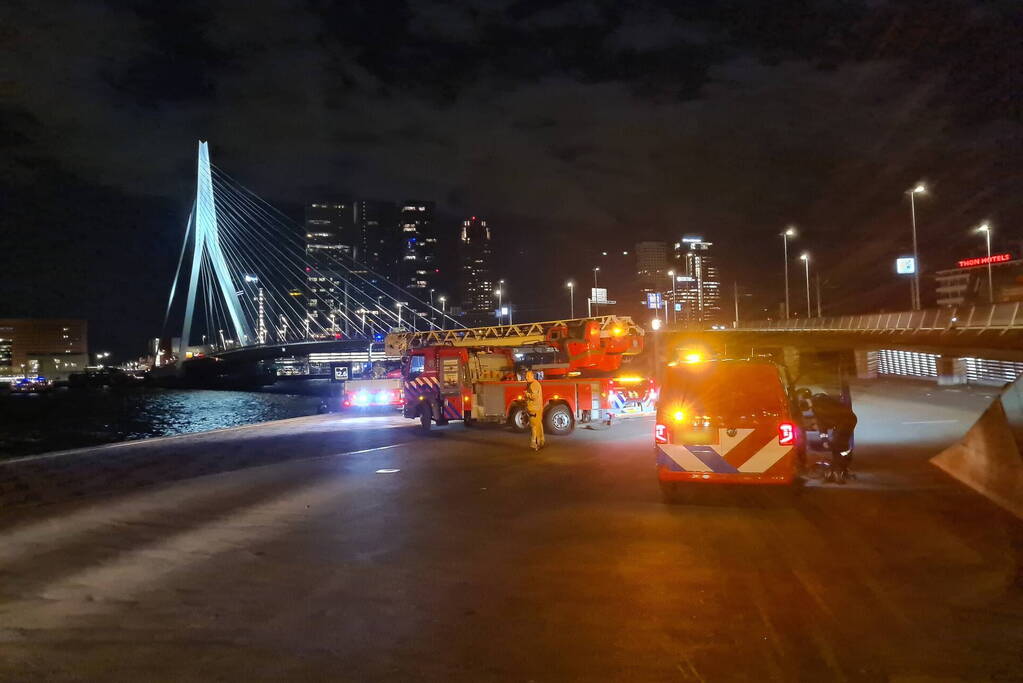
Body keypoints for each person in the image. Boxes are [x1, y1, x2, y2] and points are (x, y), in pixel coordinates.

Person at [524, 369, 545, 451]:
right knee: (538, 426)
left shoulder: (533, 385)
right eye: (526, 376)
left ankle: (536, 444)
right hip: (536, 409)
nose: (526, 377)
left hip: (534, 410)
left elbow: (534, 396)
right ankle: (540, 442)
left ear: (532, 376)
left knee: (534, 427)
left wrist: (527, 394)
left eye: (528, 376)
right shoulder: (533, 384)